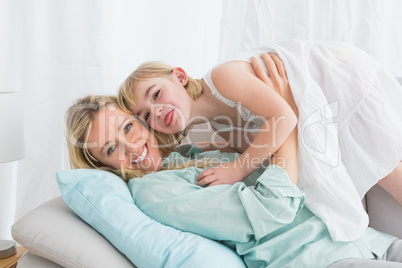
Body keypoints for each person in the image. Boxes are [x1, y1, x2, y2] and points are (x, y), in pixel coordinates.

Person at [64, 94, 402, 268]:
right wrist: (285, 119)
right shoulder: (153, 191)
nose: (133, 147)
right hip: (319, 259)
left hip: (367, 240)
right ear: (102, 164)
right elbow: (271, 208)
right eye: (112, 148)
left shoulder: (185, 156)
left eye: (128, 128)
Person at [117, 40, 402, 241]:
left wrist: (238, 168)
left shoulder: (222, 78)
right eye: (144, 117)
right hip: (314, 103)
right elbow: (259, 143)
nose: (156, 112)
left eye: (156, 95)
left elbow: (284, 117)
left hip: (332, 76)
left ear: (179, 77)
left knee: (380, 164)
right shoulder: (207, 126)